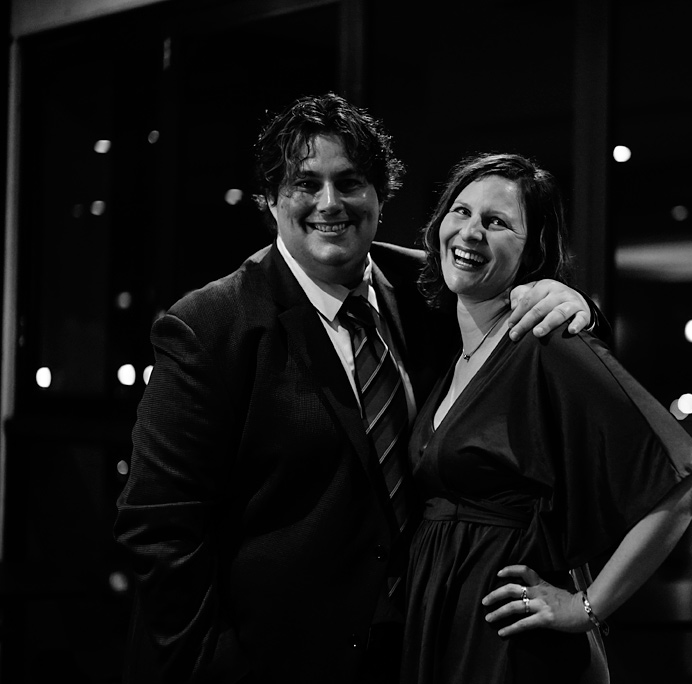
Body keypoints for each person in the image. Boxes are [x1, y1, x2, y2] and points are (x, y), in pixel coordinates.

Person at [113, 94, 595, 684]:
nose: (329, 203)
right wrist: (215, 663)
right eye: (305, 183)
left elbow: (516, 300)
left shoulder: (429, 288)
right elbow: (157, 527)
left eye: (349, 182)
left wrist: (571, 301)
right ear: (270, 199)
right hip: (271, 661)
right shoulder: (210, 325)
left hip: (416, 650)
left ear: (380, 194)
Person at [402, 153, 692, 684]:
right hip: (441, 619)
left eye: (497, 222)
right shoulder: (454, 352)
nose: (471, 232)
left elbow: (687, 479)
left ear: (533, 252)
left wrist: (585, 607)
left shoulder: (548, 341)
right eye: (461, 211)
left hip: (507, 637)